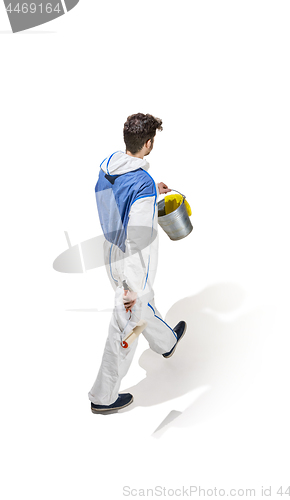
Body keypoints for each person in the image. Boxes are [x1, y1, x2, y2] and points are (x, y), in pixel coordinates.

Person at [88, 113, 187, 414]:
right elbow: (138, 238)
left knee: (146, 304)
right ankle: (102, 398)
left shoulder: (110, 166)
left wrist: (149, 191)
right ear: (148, 143)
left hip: (111, 250)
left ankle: (166, 342)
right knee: (126, 324)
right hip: (132, 260)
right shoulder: (140, 183)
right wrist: (131, 287)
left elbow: (120, 199)